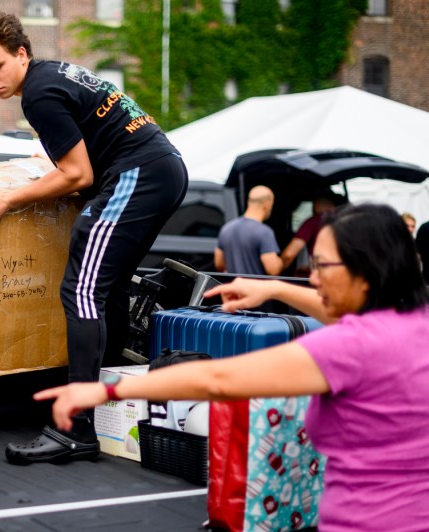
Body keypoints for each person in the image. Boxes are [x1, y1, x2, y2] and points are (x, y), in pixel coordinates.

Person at [37, 203, 429, 530]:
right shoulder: (416, 321)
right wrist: (274, 289)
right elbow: (348, 314)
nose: (313, 277)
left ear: (366, 273)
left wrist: (106, 390)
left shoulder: (349, 347)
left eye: (322, 266)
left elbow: (218, 379)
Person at [0, 11, 188, 463]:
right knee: (109, 288)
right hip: (161, 168)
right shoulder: (55, 75)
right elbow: (83, 171)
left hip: (138, 173)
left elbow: (77, 175)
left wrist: (8, 199)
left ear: (21, 53)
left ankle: (76, 427)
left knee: (80, 291)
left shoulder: (39, 95)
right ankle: (111, 413)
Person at [214, 185, 282, 276]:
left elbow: (219, 264)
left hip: (233, 288)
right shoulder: (265, 232)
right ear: (267, 204)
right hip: (255, 289)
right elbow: (273, 270)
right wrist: (280, 262)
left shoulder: (226, 228)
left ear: (249, 202)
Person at [280, 193, 336, 272]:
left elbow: (289, 255)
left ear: (315, 206)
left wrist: (276, 271)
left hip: (318, 275)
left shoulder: (313, 222)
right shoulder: (346, 223)